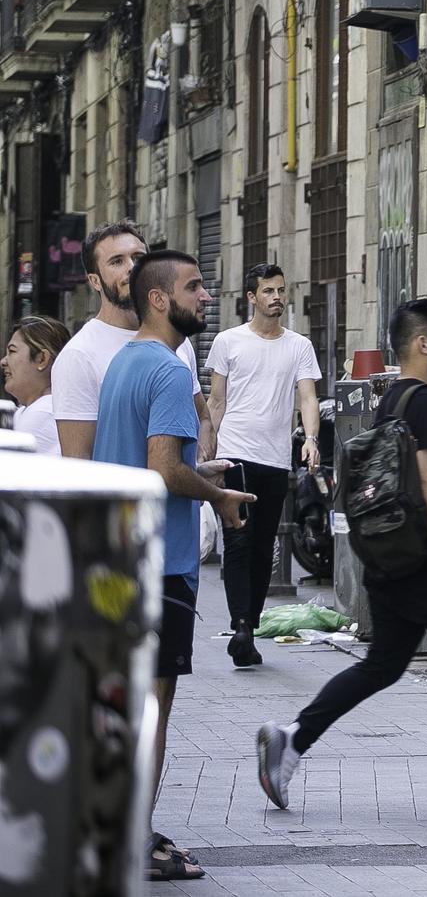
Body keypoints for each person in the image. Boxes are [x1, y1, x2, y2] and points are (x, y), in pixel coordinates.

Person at [256, 299, 427, 813]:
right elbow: (426, 483)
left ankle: (292, 740)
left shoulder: (394, 401)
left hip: (387, 557)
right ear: (422, 343)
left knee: (382, 665)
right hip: (424, 559)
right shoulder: (425, 401)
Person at [93, 251, 255, 881]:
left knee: (126, 705)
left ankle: (118, 825)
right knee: (153, 708)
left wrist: (200, 473)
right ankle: (134, 838)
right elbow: (162, 469)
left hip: (121, 555)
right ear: (158, 299)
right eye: (193, 287)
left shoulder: (122, 363)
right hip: (162, 562)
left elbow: (145, 461)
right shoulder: (164, 369)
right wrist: (219, 496)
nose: (205, 297)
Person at [206, 263, 323, 668]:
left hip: (274, 459)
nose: (276, 297)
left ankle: (248, 627)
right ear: (251, 298)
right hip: (235, 453)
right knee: (238, 541)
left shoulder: (298, 346)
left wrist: (310, 439)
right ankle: (240, 624)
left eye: (280, 290)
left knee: (262, 546)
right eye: (267, 291)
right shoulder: (227, 341)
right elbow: (216, 401)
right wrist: (209, 449)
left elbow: (307, 397)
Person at [54, 220, 212, 461]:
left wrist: (199, 467)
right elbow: (79, 465)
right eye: (117, 261)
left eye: (139, 257)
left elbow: (202, 417)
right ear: (95, 281)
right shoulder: (79, 355)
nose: (132, 268)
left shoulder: (176, 339)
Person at [2, 315, 71, 455]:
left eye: (12, 351)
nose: (3, 362)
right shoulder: (34, 410)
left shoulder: (42, 413)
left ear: (42, 359)